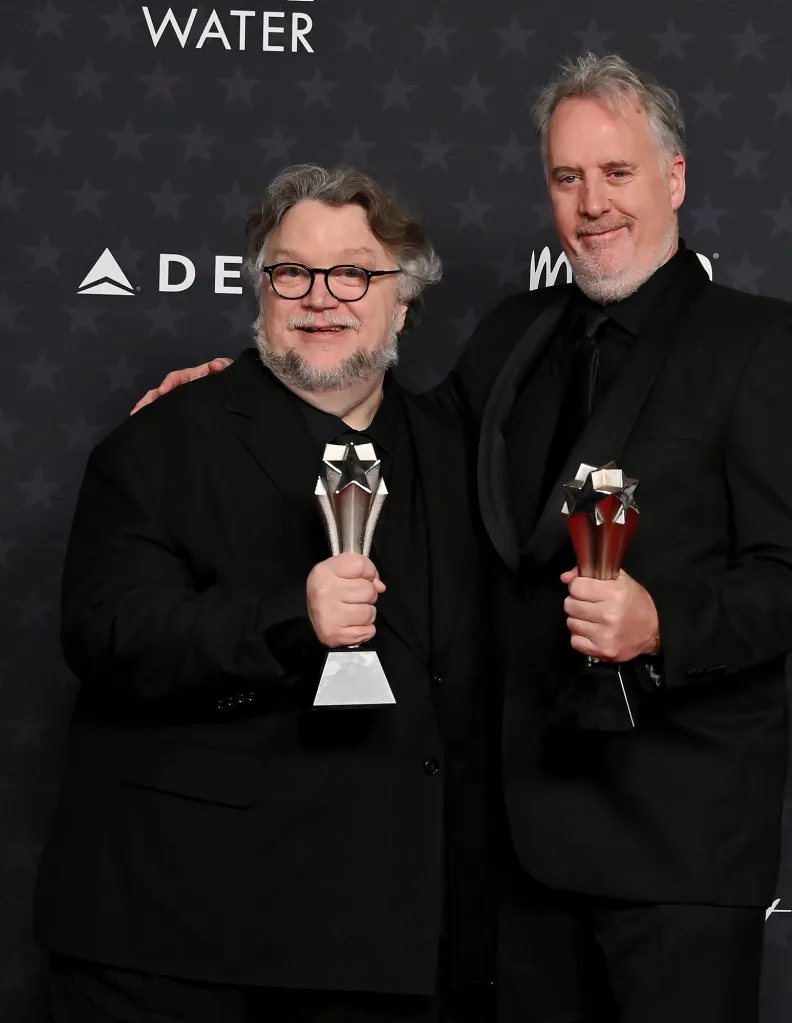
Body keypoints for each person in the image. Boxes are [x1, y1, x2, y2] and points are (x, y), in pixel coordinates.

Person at [134, 53, 792, 1023]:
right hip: (512, 838)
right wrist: (245, 401)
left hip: (675, 845)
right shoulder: (513, 332)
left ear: (674, 179)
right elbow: (403, 454)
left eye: (617, 173)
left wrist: (661, 621)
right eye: (567, 178)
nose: (592, 202)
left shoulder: (763, 343)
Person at [35, 165, 497, 1023]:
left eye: (354, 272)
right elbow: (106, 629)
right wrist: (293, 616)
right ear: (262, 290)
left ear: (403, 301)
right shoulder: (164, 438)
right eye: (292, 272)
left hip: (386, 943)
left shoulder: (462, 453)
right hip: (180, 940)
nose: (321, 296)